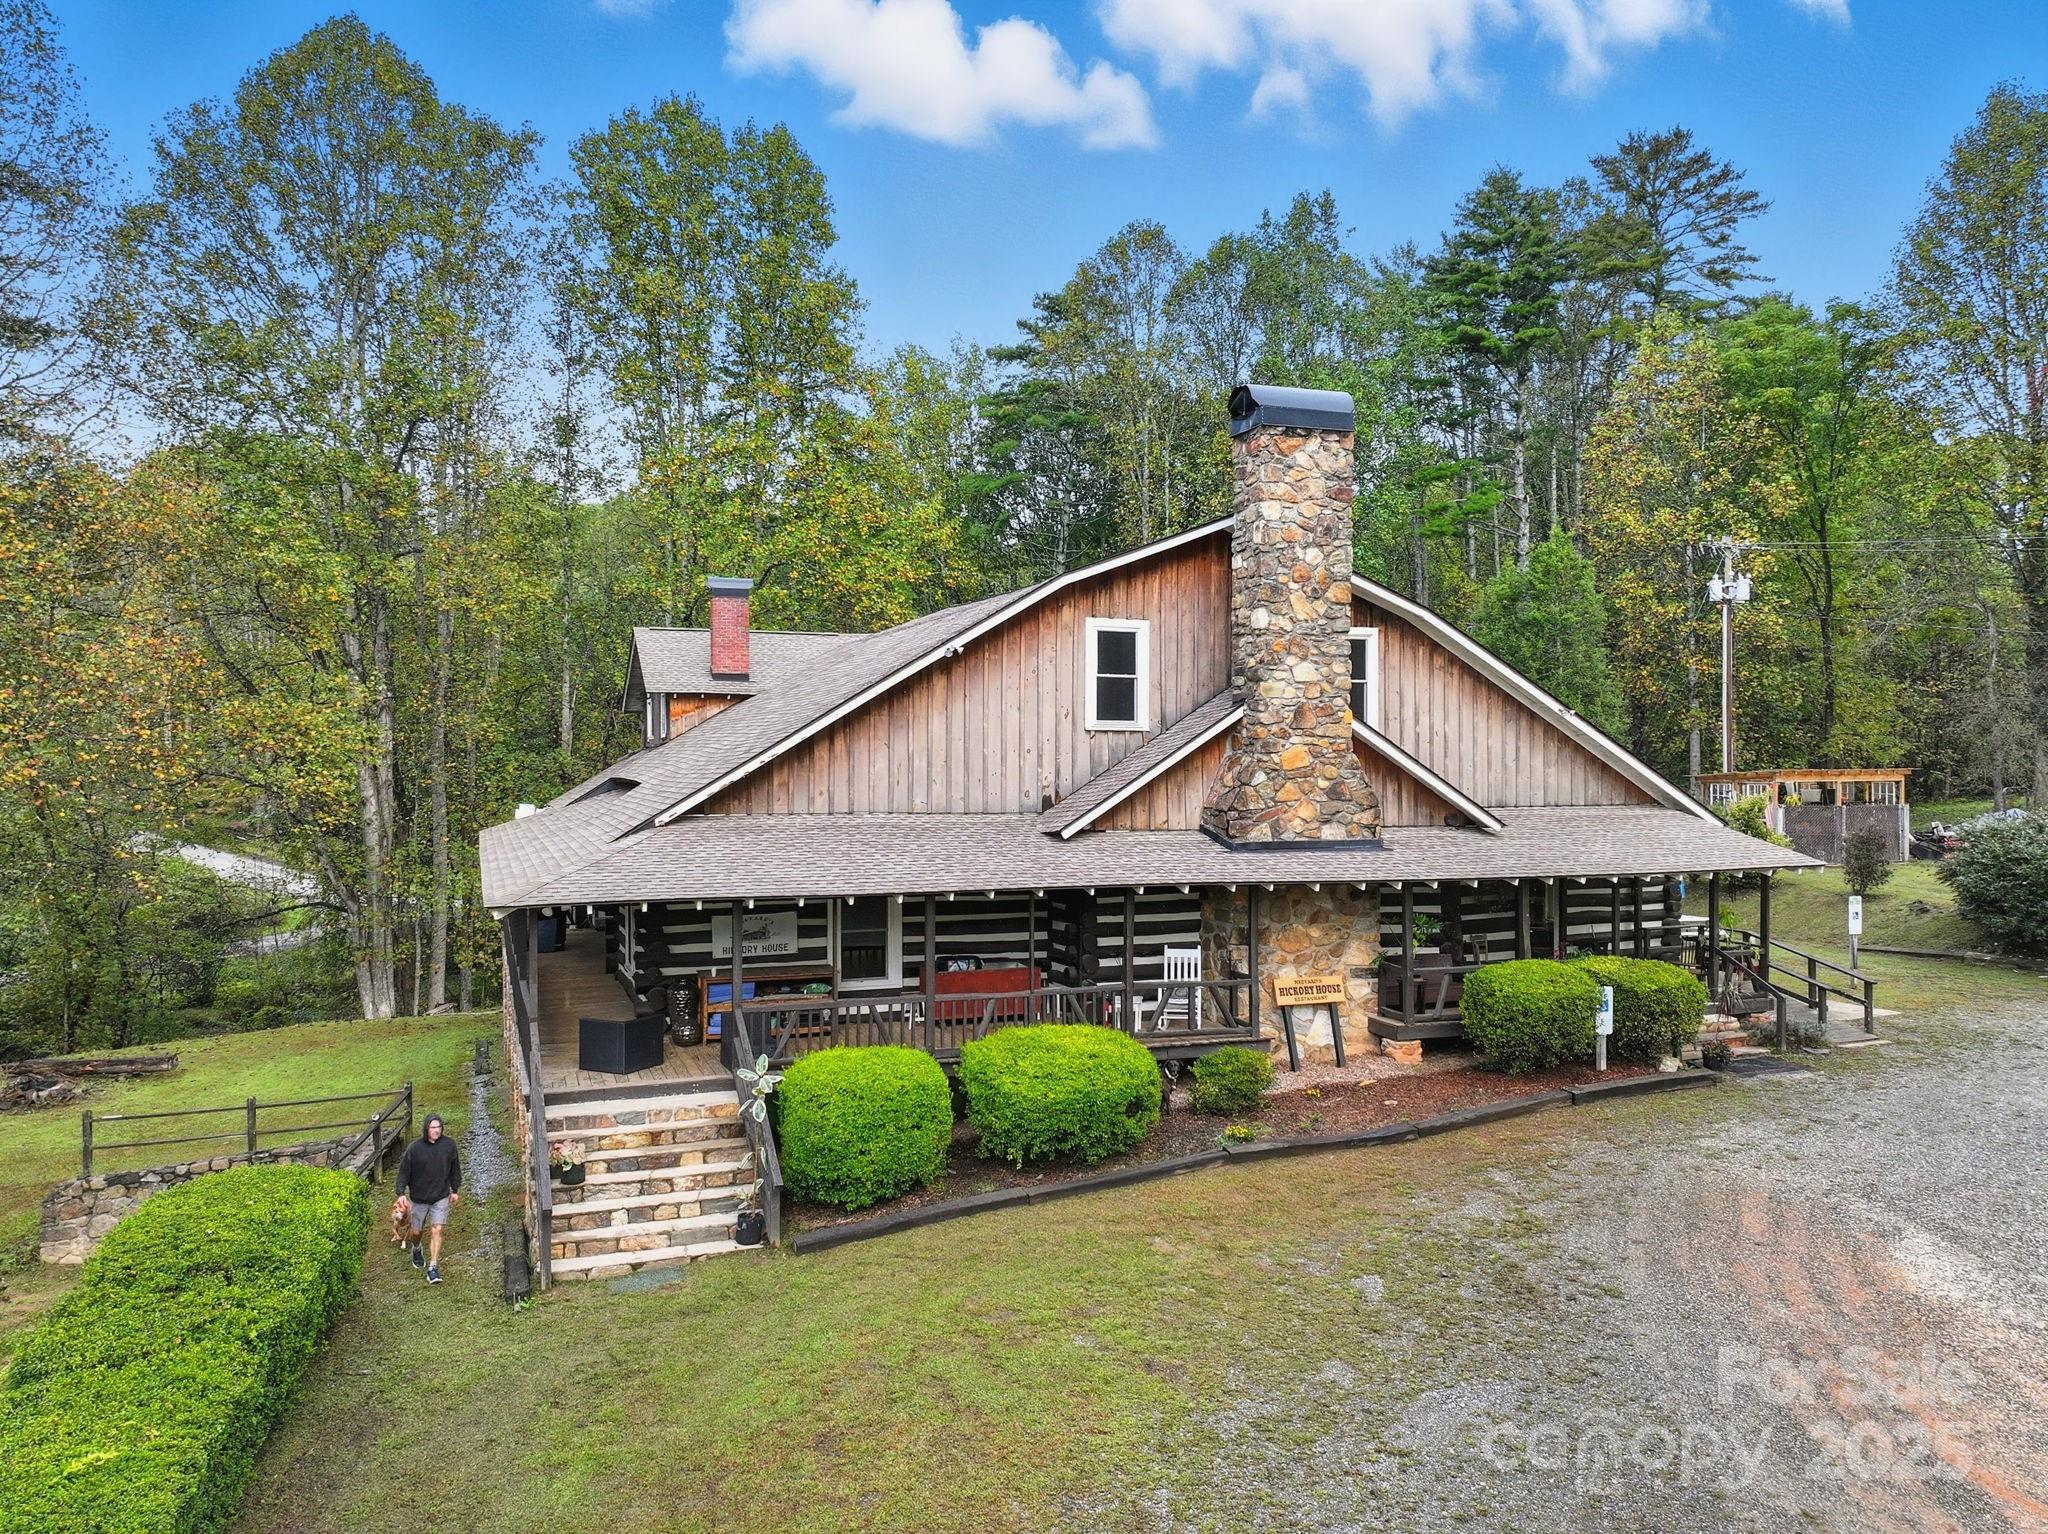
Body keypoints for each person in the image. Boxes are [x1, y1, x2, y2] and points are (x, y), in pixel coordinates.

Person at [394, 1113, 461, 1283]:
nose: (437, 1131)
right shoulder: (415, 1149)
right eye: (433, 1128)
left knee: (437, 1230)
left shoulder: (449, 1145)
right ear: (426, 1129)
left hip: (440, 1196)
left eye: (439, 1127)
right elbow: (404, 1172)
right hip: (419, 1198)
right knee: (416, 1232)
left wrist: (455, 1190)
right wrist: (401, 1193)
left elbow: (455, 1168)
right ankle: (416, 1247)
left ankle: (433, 1267)